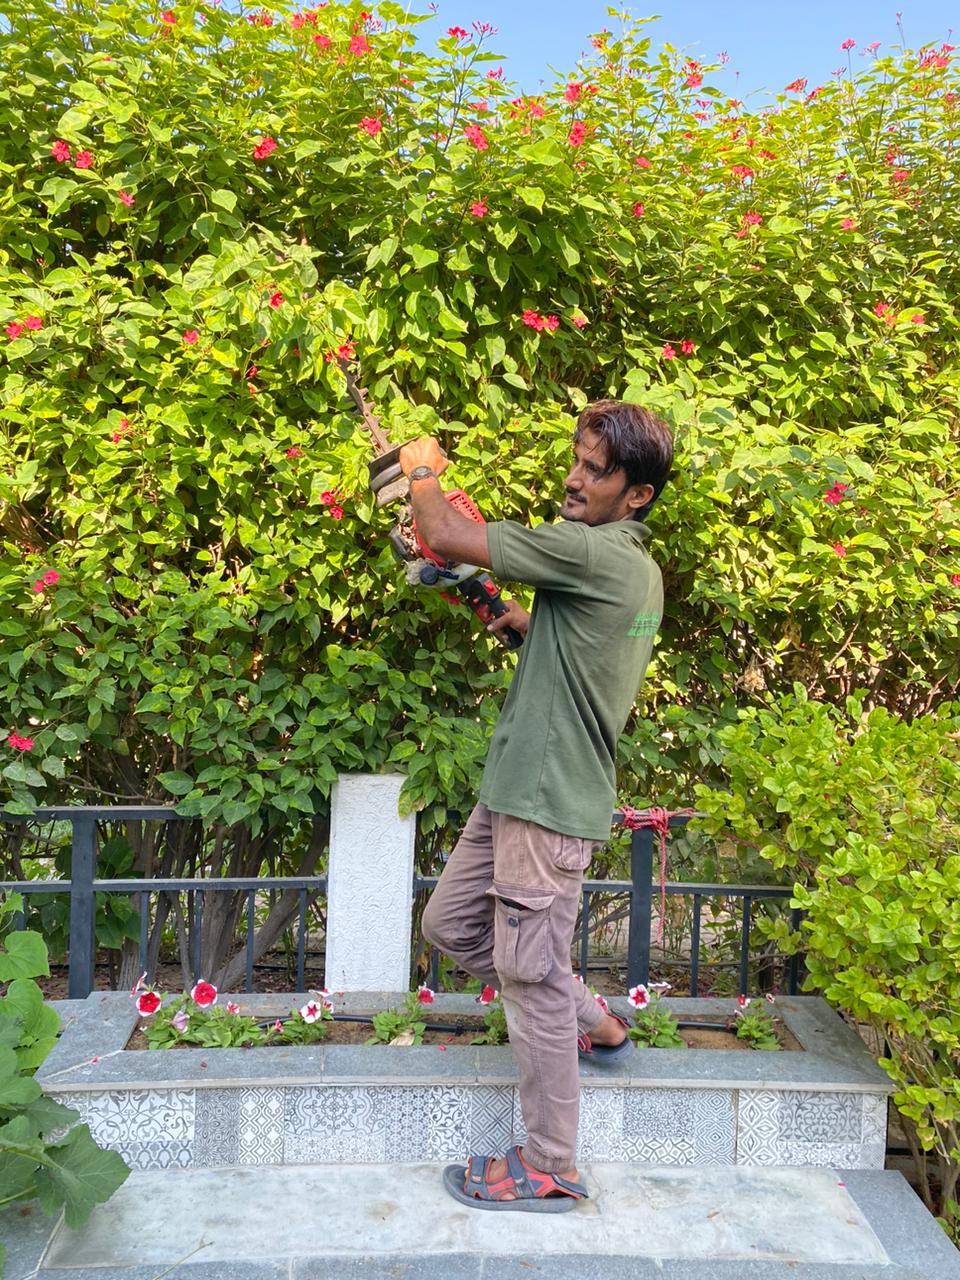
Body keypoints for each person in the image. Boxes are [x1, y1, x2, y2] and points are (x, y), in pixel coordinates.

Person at [398, 399, 674, 1213]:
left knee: (529, 977)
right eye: (577, 461)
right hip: (516, 788)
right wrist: (488, 601)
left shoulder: (593, 552)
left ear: (637, 496)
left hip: (547, 800)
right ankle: (596, 1022)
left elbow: (442, 528)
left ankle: (551, 1163)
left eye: (597, 471)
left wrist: (420, 470)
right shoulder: (627, 570)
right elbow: (560, 645)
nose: (575, 479)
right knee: (451, 925)